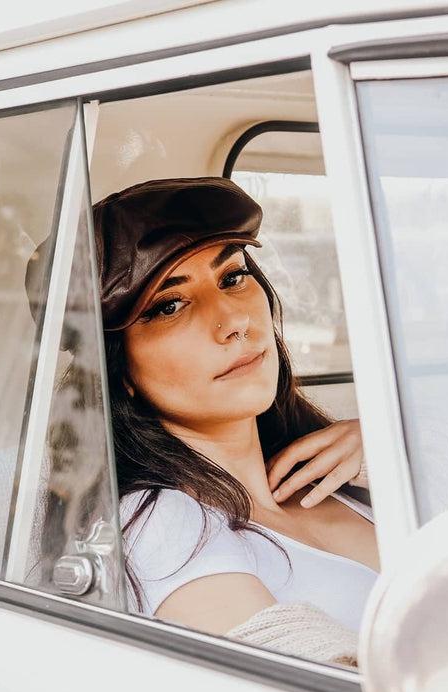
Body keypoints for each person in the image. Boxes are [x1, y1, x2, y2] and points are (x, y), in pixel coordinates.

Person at [91, 176, 379, 660]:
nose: (234, 323)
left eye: (232, 278)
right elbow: (306, 678)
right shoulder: (158, 523)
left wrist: (396, 452)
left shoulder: (341, 470)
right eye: (169, 305)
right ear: (120, 370)